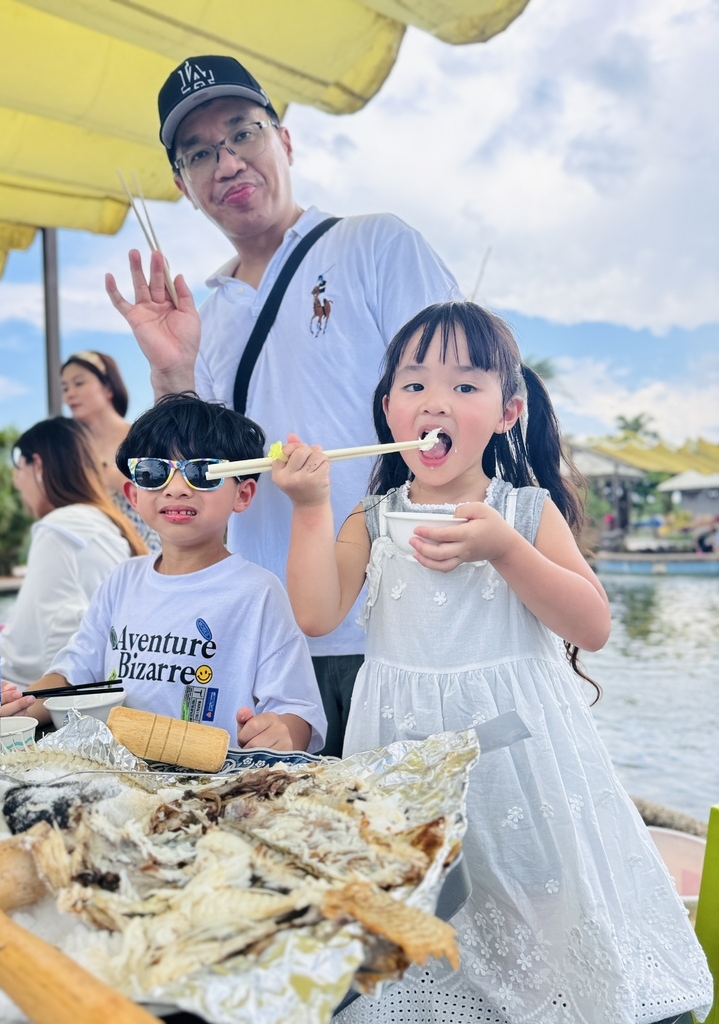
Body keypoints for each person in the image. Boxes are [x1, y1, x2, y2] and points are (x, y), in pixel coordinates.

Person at [272, 302, 712, 1024]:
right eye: (413, 386)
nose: (435, 401)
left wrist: (507, 549)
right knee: (427, 919)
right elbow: (317, 612)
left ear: (508, 412)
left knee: (534, 907)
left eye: (465, 386)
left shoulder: (526, 511)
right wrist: (311, 507)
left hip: (519, 756)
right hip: (403, 755)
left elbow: (592, 624)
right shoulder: (371, 516)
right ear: (389, 411)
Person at [105, 54, 462, 756]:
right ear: (183, 183)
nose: (227, 162)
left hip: (400, 630)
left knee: (418, 850)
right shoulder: (205, 315)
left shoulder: (375, 246)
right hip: (264, 648)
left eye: (243, 133)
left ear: (285, 140)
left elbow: (458, 421)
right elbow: (193, 474)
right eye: (201, 152)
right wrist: (175, 371)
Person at [2, 394, 326, 754]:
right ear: (133, 493)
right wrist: (18, 705)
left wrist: (282, 732)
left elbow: (298, 712)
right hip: (115, 778)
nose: (176, 487)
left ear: (243, 494)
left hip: (212, 787)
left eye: (202, 473)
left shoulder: (258, 593)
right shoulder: (121, 581)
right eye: (154, 473)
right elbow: (72, 675)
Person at [0, 417, 148, 690]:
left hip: (45, 700)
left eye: (19, 467)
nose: (15, 480)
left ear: (39, 465)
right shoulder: (105, 521)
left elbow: (44, 646)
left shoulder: (59, 527)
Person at [60, 350, 160, 551]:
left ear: (108, 387)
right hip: (95, 555)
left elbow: (169, 489)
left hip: (150, 553)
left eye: (79, 383)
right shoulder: (72, 450)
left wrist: (117, 479)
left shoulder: (142, 437)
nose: (69, 394)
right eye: (64, 388)